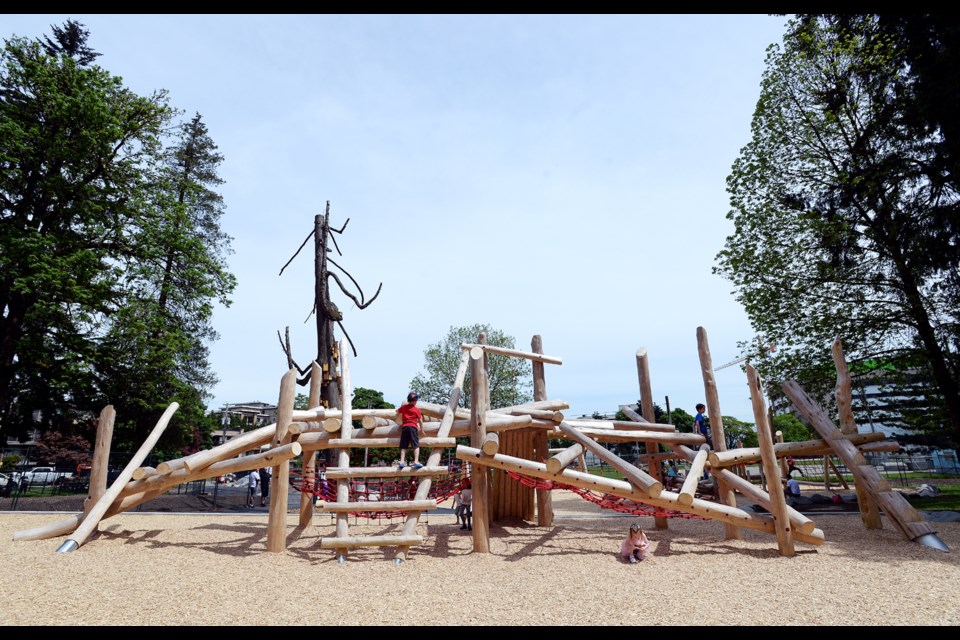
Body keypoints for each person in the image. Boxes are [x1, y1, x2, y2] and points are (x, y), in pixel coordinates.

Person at [396, 392, 425, 470]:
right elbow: (420, 421)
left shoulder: (404, 407)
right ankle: (416, 461)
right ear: (415, 401)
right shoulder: (416, 410)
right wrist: (422, 430)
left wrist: (398, 419)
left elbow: (397, 412)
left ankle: (402, 462)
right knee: (416, 445)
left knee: (403, 446)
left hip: (405, 428)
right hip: (413, 427)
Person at [693, 403, 711, 478]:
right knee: (710, 446)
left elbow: (693, 424)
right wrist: (699, 432)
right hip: (703, 433)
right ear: (700, 409)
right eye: (704, 408)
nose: (705, 410)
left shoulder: (699, 415)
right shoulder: (699, 415)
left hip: (704, 432)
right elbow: (697, 423)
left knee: (707, 447)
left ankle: (706, 472)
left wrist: (695, 431)